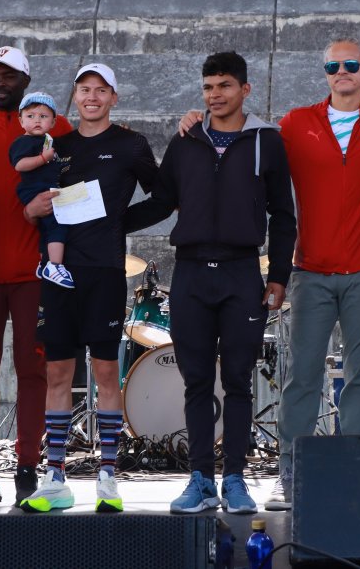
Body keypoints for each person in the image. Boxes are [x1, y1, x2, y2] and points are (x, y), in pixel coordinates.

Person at [183, 38, 360, 510]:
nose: (340, 72)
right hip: (312, 270)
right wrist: (195, 121)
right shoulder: (294, 124)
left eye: (349, 65)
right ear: (324, 72)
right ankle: (292, 474)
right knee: (302, 375)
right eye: (332, 66)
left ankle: (354, 469)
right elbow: (244, 149)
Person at [126, 52, 295, 514]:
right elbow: (162, 201)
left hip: (243, 273)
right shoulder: (187, 140)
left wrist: (278, 275)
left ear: (245, 90)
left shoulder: (267, 142)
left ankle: (236, 480)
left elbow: (283, 216)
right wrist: (108, 222)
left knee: (238, 382)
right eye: (207, 87)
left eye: (223, 86)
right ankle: (200, 480)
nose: (214, 95)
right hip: (193, 272)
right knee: (197, 382)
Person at [19, 63, 158, 513]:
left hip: (103, 272)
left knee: (104, 372)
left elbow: (166, 197)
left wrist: (119, 222)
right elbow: (31, 201)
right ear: (74, 97)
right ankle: (56, 477)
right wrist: (31, 210)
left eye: (101, 90)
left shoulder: (131, 144)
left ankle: (108, 477)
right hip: (59, 274)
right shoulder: (54, 146)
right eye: (84, 90)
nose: (92, 97)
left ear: (114, 97)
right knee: (58, 374)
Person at [0, 46, 73, 507]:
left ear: (27, 82)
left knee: (34, 372)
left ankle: (28, 466)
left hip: (32, 273)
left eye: (10, 75)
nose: (0, 82)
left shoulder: (56, 127)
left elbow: (93, 148)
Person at [10, 91, 74, 288]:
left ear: (53, 122)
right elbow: (19, 165)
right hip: (33, 189)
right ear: (21, 121)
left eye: (43, 116)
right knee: (58, 224)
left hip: (47, 187)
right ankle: (55, 265)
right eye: (30, 116)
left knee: (46, 229)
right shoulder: (22, 142)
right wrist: (43, 158)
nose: (37, 120)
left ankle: (44, 263)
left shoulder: (48, 140)